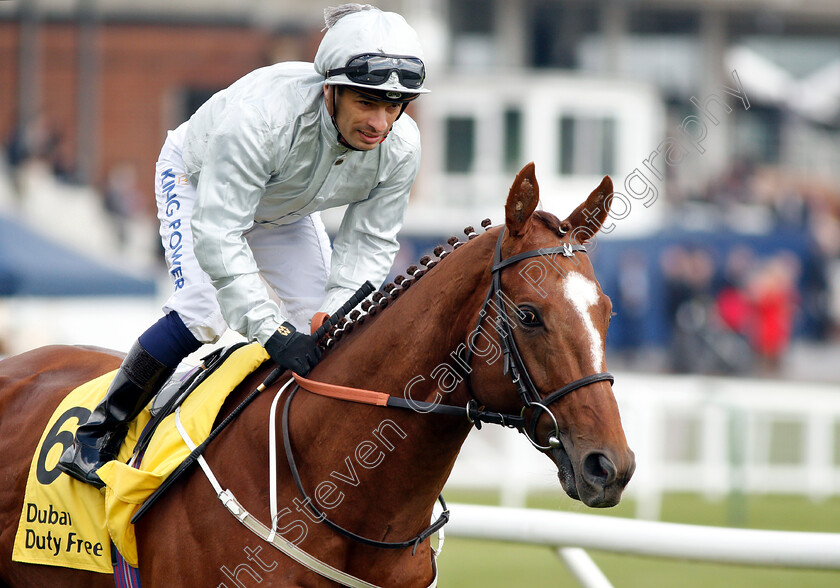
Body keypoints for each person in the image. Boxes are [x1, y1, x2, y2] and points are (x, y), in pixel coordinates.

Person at [58, 3, 429, 488]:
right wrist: (270, 332)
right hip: (197, 181)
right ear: (330, 90)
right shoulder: (260, 120)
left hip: (283, 209)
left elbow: (369, 242)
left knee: (328, 325)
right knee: (203, 310)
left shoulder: (401, 146)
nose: (381, 123)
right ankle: (98, 431)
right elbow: (218, 232)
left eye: (394, 105)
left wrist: (330, 315)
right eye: (367, 102)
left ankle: (298, 453)